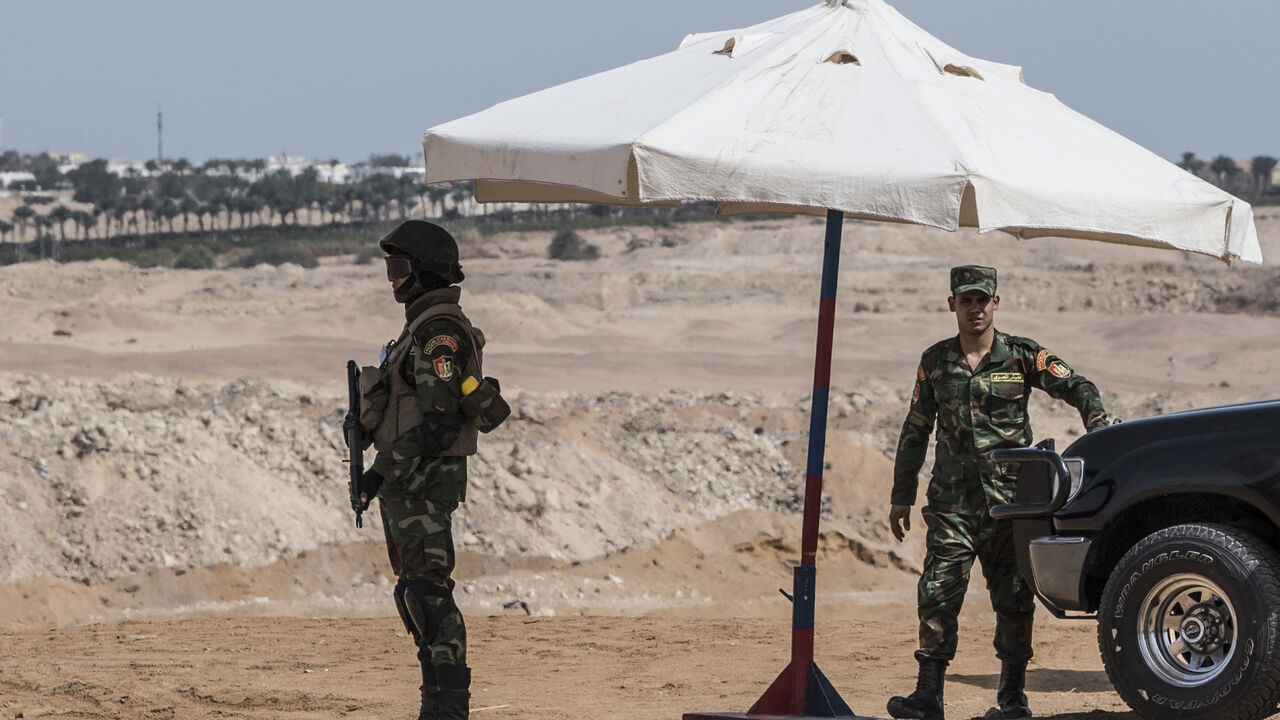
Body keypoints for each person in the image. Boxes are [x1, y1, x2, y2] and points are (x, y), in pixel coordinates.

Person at [886, 265, 1112, 720]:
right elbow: (915, 430)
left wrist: (1100, 428)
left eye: (982, 299)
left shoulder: (1021, 356)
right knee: (938, 592)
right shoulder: (935, 362)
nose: (975, 308)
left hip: (1012, 503)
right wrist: (901, 494)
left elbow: (1078, 386)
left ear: (996, 302)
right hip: (952, 503)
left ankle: (1012, 697)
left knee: (1012, 598)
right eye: (966, 300)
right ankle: (928, 695)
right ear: (952, 304)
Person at [356, 220, 483, 720]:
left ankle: (449, 709)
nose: (392, 279)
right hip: (409, 485)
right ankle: (435, 701)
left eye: (400, 268)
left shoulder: (437, 334)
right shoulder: (419, 330)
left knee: (429, 594)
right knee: (415, 592)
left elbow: (439, 422)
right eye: (390, 268)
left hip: (422, 484)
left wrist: (378, 472)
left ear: (427, 273)